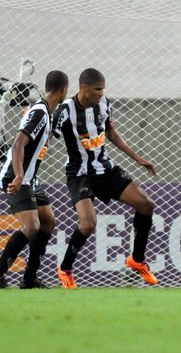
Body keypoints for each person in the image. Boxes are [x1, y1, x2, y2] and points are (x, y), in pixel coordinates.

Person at [52, 68, 158, 289]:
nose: (102, 93)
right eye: (98, 89)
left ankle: (137, 261)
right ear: (84, 88)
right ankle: (65, 268)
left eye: (103, 89)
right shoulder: (65, 111)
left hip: (106, 170)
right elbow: (46, 135)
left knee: (146, 205)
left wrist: (138, 158)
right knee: (88, 224)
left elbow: (112, 134)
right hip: (79, 174)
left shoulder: (104, 104)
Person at [0, 70, 69, 289]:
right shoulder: (40, 112)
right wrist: (20, 175)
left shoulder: (45, 113)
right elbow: (18, 144)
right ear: (63, 90)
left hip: (31, 180)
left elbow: (38, 139)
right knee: (31, 226)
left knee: (48, 221)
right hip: (17, 176)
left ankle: (29, 278)